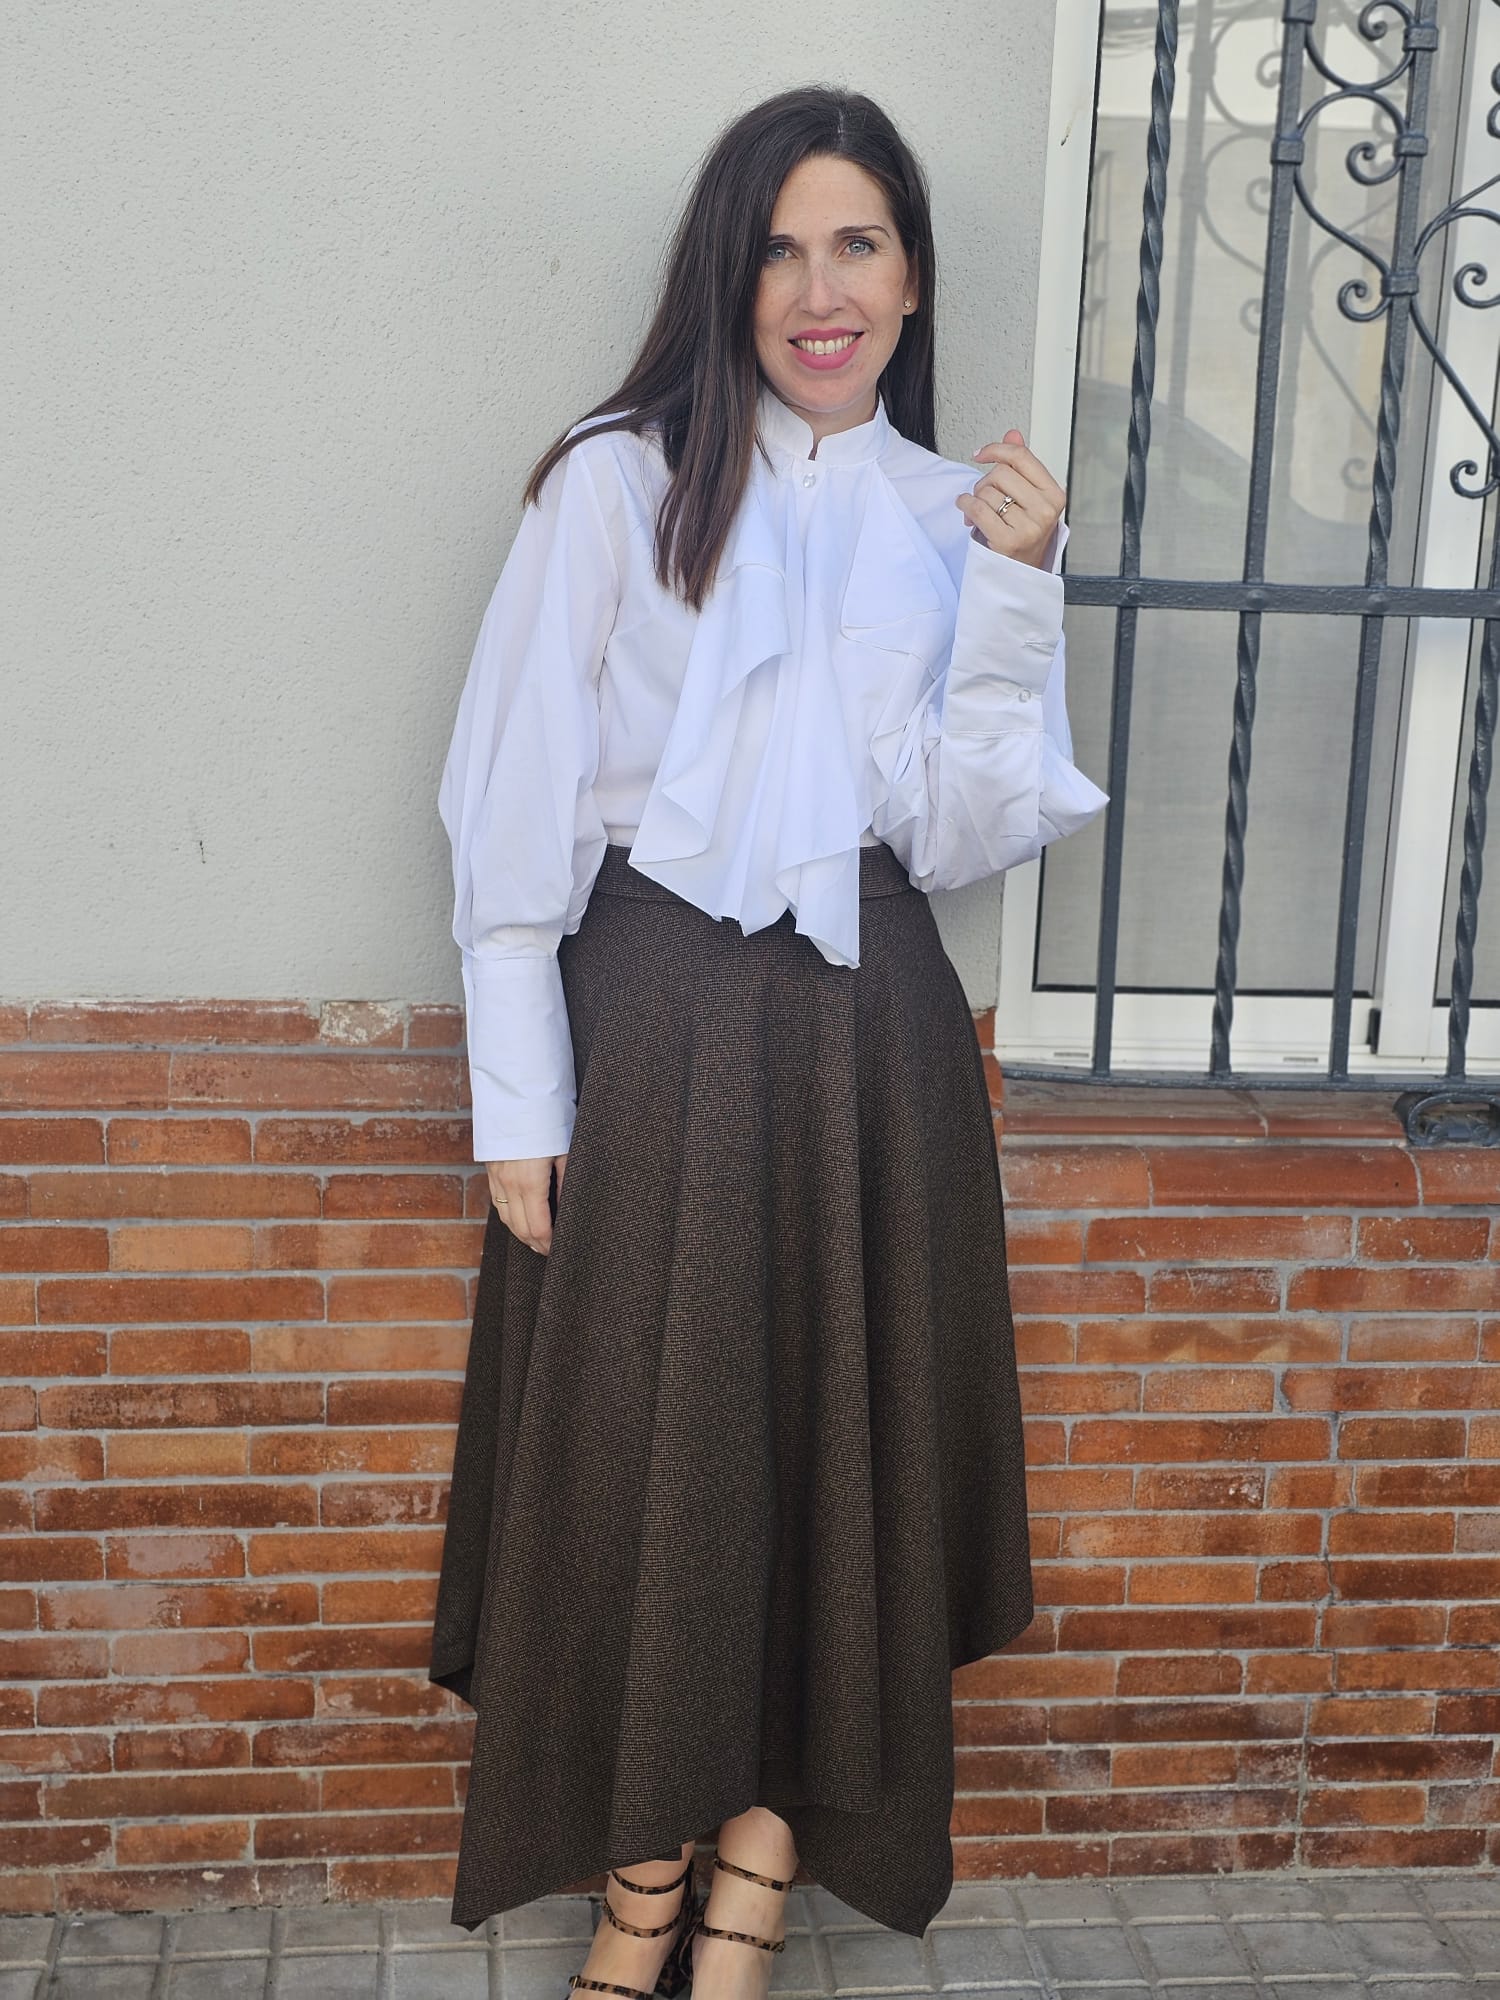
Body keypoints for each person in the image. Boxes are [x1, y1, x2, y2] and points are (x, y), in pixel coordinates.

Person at [429, 82, 1109, 2000]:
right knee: (641, 1450)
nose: (823, 292)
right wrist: (519, 1099)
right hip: (650, 1019)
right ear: (731, 277)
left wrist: (1015, 596)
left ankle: (760, 1869)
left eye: (859, 245)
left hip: (874, 1039)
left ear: (912, 279)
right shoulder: (614, 483)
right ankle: (639, 1874)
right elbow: (512, 799)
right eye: (785, 249)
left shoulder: (952, 519)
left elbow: (960, 839)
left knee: (837, 1454)